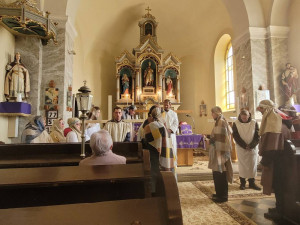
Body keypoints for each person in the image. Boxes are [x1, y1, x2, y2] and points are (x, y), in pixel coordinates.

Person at [257, 99, 292, 221]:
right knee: (279, 186)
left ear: (266, 109)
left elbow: (273, 147)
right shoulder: (279, 120)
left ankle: (280, 211)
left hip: (278, 162)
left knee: (278, 185)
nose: (260, 112)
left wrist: (263, 162)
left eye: (261, 109)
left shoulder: (273, 122)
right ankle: (279, 207)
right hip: (284, 160)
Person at [143, 107, 175, 192]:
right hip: (163, 153)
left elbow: (146, 140)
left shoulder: (150, 126)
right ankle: (163, 191)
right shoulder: (162, 126)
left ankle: (154, 191)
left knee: (154, 173)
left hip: (153, 152)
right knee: (160, 173)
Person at [208, 106, 233, 203]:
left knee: (221, 174)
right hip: (217, 151)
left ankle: (222, 196)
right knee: (217, 174)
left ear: (217, 113)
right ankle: (218, 193)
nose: (212, 115)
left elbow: (223, 138)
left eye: (212, 113)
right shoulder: (219, 121)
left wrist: (212, 140)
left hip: (221, 152)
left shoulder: (221, 121)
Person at [232, 109, 261, 190]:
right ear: (240, 116)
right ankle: (243, 183)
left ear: (249, 116)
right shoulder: (236, 123)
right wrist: (244, 146)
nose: (244, 119)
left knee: (252, 165)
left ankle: (252, 183)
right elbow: (236, 136)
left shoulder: (254, 123)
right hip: (241, 147)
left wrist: (251, 145)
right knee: (242, 166)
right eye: (243, 118)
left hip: (252, 147)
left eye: (246, 118)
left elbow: (257, 135)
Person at [162, 99, 179, 169]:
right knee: (165, 150)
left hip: (171, 135)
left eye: (167, 105)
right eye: (164, 105)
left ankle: (173, 164)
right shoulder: (161, 113)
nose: (165, 106)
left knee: (172, 150)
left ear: (170, 105)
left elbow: (176, 123)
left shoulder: (174, 114)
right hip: (163, 135)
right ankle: (165, 165)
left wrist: (170, 130)